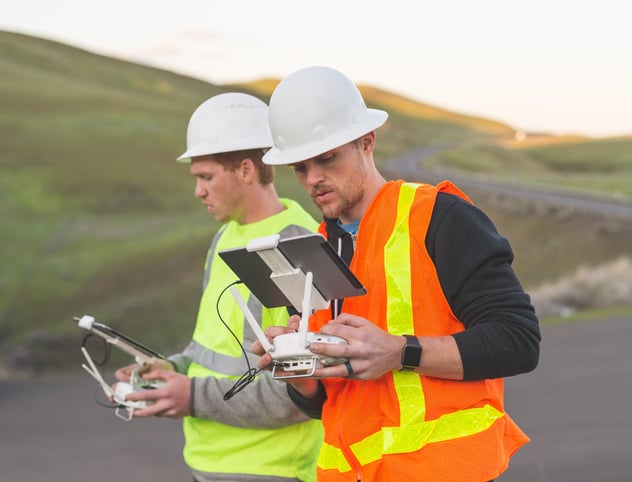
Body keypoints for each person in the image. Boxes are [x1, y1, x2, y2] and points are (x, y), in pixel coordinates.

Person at [253, 66, 541, 482]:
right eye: (300, 167)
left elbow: (518, 341)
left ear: (366, 141)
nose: (313, 178)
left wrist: (399, 351)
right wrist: (298, 369)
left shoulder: (440, 217)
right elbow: (326, 403)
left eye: (327, 158)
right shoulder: (318, 249)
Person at [114, 92, 323, 482]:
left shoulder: (297, 247)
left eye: (206, 177)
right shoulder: (225, 238)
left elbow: (306, 392)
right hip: (206, 463)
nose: (198, 191)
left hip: (271, 470)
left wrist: (191, 396)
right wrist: (173, 369)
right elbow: (211, 346)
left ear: (246, 170)